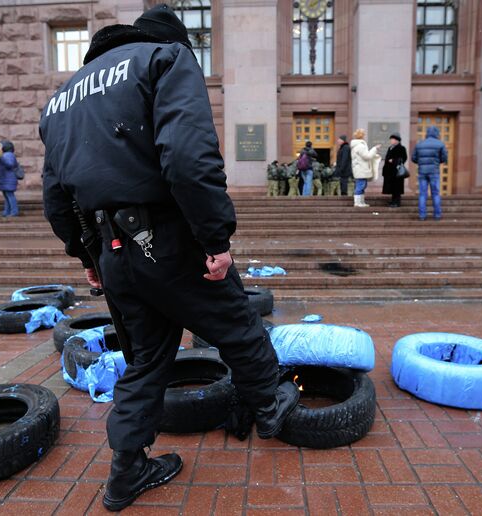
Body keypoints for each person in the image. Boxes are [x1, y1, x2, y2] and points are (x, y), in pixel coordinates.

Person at [39, 4, 299, 511]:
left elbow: (56, 195)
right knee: (236, 325)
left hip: (111, 247)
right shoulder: (165, 57)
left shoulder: (60, 100)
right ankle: (271, 407)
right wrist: (215, 238)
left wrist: (84, 254)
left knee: (146, 359)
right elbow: (187, 156)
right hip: (169, 235)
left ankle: (128, 470)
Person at [412, 126, 447, 221]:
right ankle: (437, 215)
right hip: (434, 172)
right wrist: (436, 162)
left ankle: (422, 215)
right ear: (436, 133)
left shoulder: (419, 144)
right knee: (435, 193)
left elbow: (414, 158)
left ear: (427, 133)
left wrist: (421, 163)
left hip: (422, 172)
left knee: (422, 194)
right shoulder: (440, 144)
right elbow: (444, 158)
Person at [349, 128, 381, 207]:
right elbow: (367, 156)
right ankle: (357, 202)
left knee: (361, 185)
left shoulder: (356, 145)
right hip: (361, 169)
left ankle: (361, 202)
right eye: (364, 134)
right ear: (362, 135)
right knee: (361, 185)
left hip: (359, 169)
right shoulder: (360, 146)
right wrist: (375, 149)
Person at [382, 133, 408, 207]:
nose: (391, 140)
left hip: (397, 171)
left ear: (397, 140)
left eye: (393, 139)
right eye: (391, 139)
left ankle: (397, 202)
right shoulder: (390, 148)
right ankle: (393, 201)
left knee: (397, 188)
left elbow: (404, 158)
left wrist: (393, 160)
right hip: (390, 171)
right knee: (392, 188)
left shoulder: (401, 148)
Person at [0, 140, 20, 217]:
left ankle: (14, 212)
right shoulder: (6, 155)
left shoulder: (8, 155)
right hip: (5, 179)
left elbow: (10, 164)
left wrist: (1, 157)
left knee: (10, 195)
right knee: (7, 196)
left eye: (1, 146)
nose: (0, 148)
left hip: (8, 179)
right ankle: (7, 211)